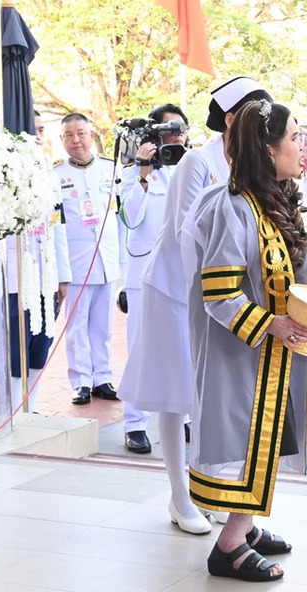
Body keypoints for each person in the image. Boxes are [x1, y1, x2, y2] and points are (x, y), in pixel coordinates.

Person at [181, 99, 307, 582]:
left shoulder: (269, 198)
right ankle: (229, 545)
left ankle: (244, 528)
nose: (301, 145)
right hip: (241, 352)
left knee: (269, 437)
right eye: (294, 137)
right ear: (269, 149)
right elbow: (219, 293)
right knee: (246, 441)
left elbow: (271, 257)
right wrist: (273, 325)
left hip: (268, 355)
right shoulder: (232, 207)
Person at [118, 76, 272, 535]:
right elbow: (188, 233)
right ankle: (180, 496)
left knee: (214, 394)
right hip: (175, 292)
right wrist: (215, 292)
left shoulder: (250, 161)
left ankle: (217, 492)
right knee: (175, 393)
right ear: (232, 119)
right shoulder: (197, 161)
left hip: (220, 294)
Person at [116, 103, 190, 453]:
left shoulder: (191, 168)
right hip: (144, 276)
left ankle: (183, 414)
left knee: (184, 347)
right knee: (141, 349)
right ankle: (134, 424)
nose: (177, 137)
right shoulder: (135, 172)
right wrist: (143, 175)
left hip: (180, 275)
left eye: (181, 130)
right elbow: (130, 219)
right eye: (170, 131)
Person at [54, 113, 124, 406]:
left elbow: (121, 219)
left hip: (106, 260)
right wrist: (61, 272)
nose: (76, 140)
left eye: (81, 133)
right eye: (69, 135)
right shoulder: (55, 176)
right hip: (77, 262)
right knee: (77, 325)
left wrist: (122, 262)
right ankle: (81, 380)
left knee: (102, 325)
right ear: (62, 140)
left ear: (91, 135)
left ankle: (102, 377)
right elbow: (57, 228)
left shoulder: (111, 169)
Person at [6, 110, 71, 413]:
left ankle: (30, 409)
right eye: (33, 130)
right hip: (14, 278)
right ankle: (10, 412)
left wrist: (63, 275)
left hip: (46, 276)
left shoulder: (50, 174)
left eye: (42, 130)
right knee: (14, 349)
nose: (38, 137)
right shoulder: (2, 172)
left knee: (40, 344)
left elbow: (59, 227)